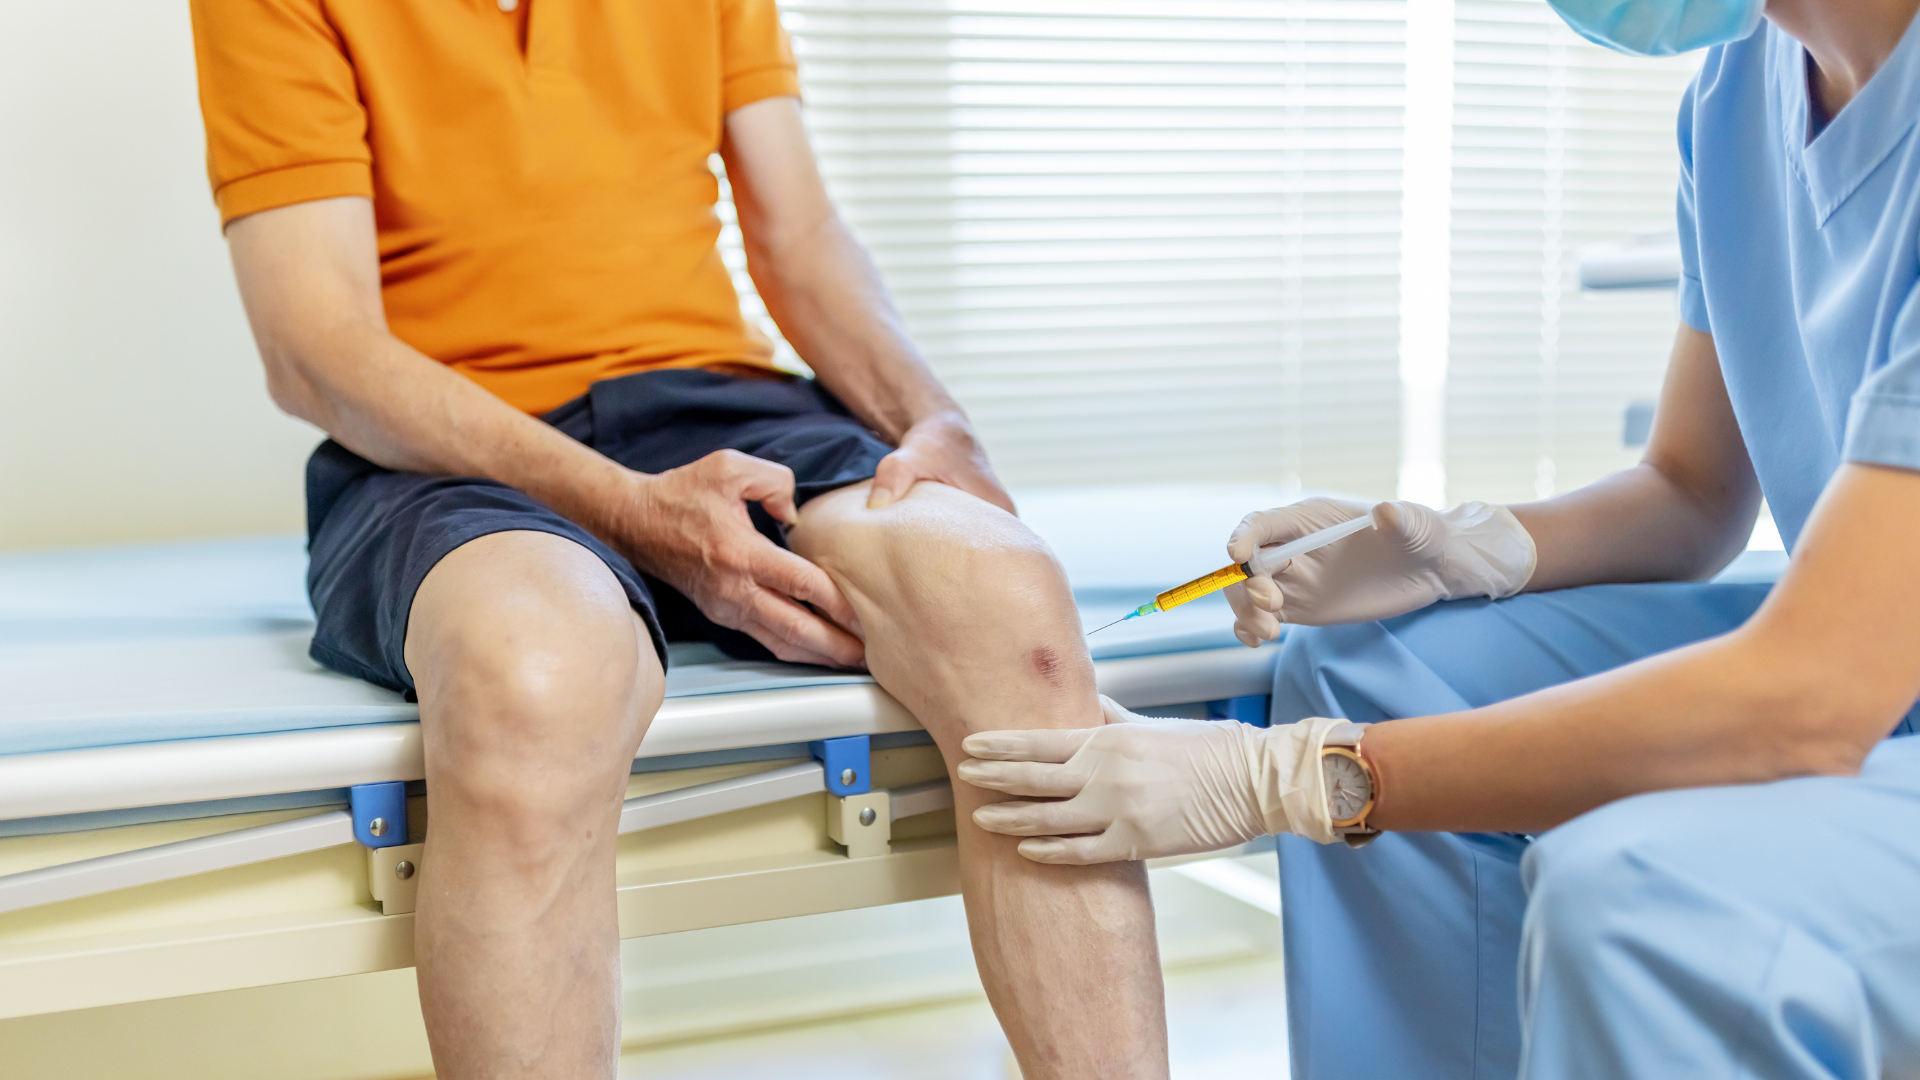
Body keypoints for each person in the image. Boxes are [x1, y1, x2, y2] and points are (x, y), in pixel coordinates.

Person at [186, 1, 1167, 1076]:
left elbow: (798, 238)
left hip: (716, 401)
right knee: (535, 669)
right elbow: (316, 349)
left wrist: (933, 422)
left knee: (1008, 597)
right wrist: (628, 509)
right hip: (445, 439)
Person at [961, 0, 1920, 1076]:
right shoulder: (1739, 92)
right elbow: (1692, 489)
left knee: (1633, 901)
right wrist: (1474, 547)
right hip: (1866, 655)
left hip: (1855, 679)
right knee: (1370, 666)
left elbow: (1814, 700)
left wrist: (1299, 780)